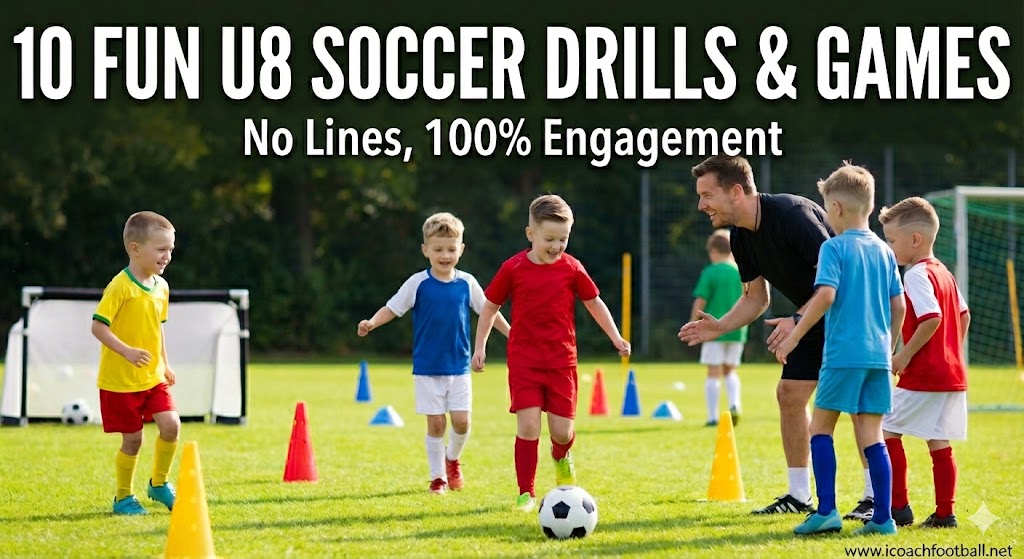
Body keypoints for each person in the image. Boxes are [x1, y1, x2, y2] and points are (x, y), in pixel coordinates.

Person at [678, 155, 876, 519]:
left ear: (736, 191)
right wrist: (720, 326)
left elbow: (840, 279)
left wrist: (797, 319)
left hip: (850, 315)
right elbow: (756, 297)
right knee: (789, 394)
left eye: (707, 195)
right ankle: (799, 495)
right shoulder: (740, 236)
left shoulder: (792, 215)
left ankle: (872, 498)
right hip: (812, 316)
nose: (700, 205)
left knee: (856, 405)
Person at [471, 194, 631, 512]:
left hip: (561, 362)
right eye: (549, 239)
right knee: (528, 426)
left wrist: (615, 336)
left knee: (562, 431)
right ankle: (526, 493)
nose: (556, 246)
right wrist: (480, 347)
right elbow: (490, 307)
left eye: (563, 239)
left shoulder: (572, 268)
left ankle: (562, 456)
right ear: (530, 234)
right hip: (524, 362)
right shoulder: (513, 268)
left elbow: (594, 303)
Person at [774, 162, 906, 535]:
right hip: (877, 358)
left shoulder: (833, 248)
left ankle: (827, 511)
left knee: (820, 428)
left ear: (835, 208)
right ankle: (883, 518)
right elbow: (899, 306)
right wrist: (889, 347)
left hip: (842, 356)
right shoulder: (884, 251)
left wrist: (795, 335)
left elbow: (826, 295)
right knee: (872, 435)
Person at [357, 212, 510, 495]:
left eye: (451, 249)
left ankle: (452, 459)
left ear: (461, 249)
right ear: (425, 250)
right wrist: (372, 322)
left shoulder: (467, 283)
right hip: (427, 368)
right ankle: (437, 477)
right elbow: (392, 307)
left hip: (460, 368)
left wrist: (512, 335)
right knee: (437, 423)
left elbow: (489, 311)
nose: (445, 255)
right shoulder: (418, 283)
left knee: (462, 422)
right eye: (438, 249)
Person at [879, 197, 970, 529]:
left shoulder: (915, 274)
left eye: (892, 240)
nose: (890, 247)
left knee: (886, 430)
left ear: (914, 240)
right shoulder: (943, 272)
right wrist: (951, 354)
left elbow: (931, 318)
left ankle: (898, 506)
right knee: (938, 440)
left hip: (926, 373)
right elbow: (963, 315)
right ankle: (945, 514)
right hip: (951, 373)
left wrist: (903, 355)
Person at [90, 211, 180, 515]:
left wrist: (165, 364)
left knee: (171, 425)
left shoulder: (161, 287)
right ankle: (123, 497)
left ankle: (159, 483)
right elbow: (98, 327)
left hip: (152, 375)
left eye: (170, 249)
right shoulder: (120, 287)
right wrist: (126, 351)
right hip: (120, 380)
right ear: (135, 249)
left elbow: (158, 328)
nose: (167, 256)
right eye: (161, 249)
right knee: (133, 441)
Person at [690, 229, 747, 427]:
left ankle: (713, 417)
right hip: (737, 330)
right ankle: (735, 404)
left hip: (713, 331)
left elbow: (701, 300)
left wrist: (693, 323)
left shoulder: (710, 272)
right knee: (730, 370)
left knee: (713, 372)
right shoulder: (740, 271)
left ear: (713, 250)